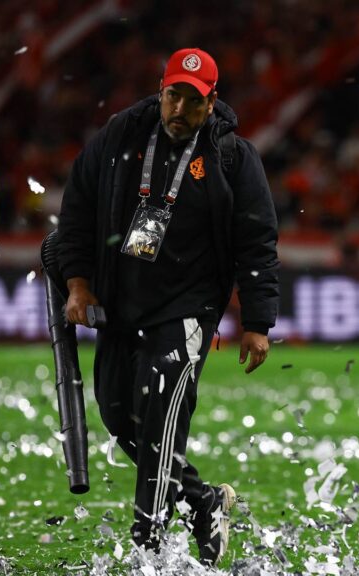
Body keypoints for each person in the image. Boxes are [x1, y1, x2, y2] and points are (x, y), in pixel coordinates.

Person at [56, 48, 279, 566]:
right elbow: (76, 209)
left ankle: (148, 550)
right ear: (162, 90)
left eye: (192, 100)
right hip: (120, 307)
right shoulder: (120, 136)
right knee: (119, 416)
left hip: (188, 309)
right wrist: (78, 284)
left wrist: (257, 321)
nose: (179, 107)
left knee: (159, 418)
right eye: (172, 94)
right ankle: (203, 501)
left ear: (212, 101)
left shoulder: (232, 157)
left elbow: (257, 239)